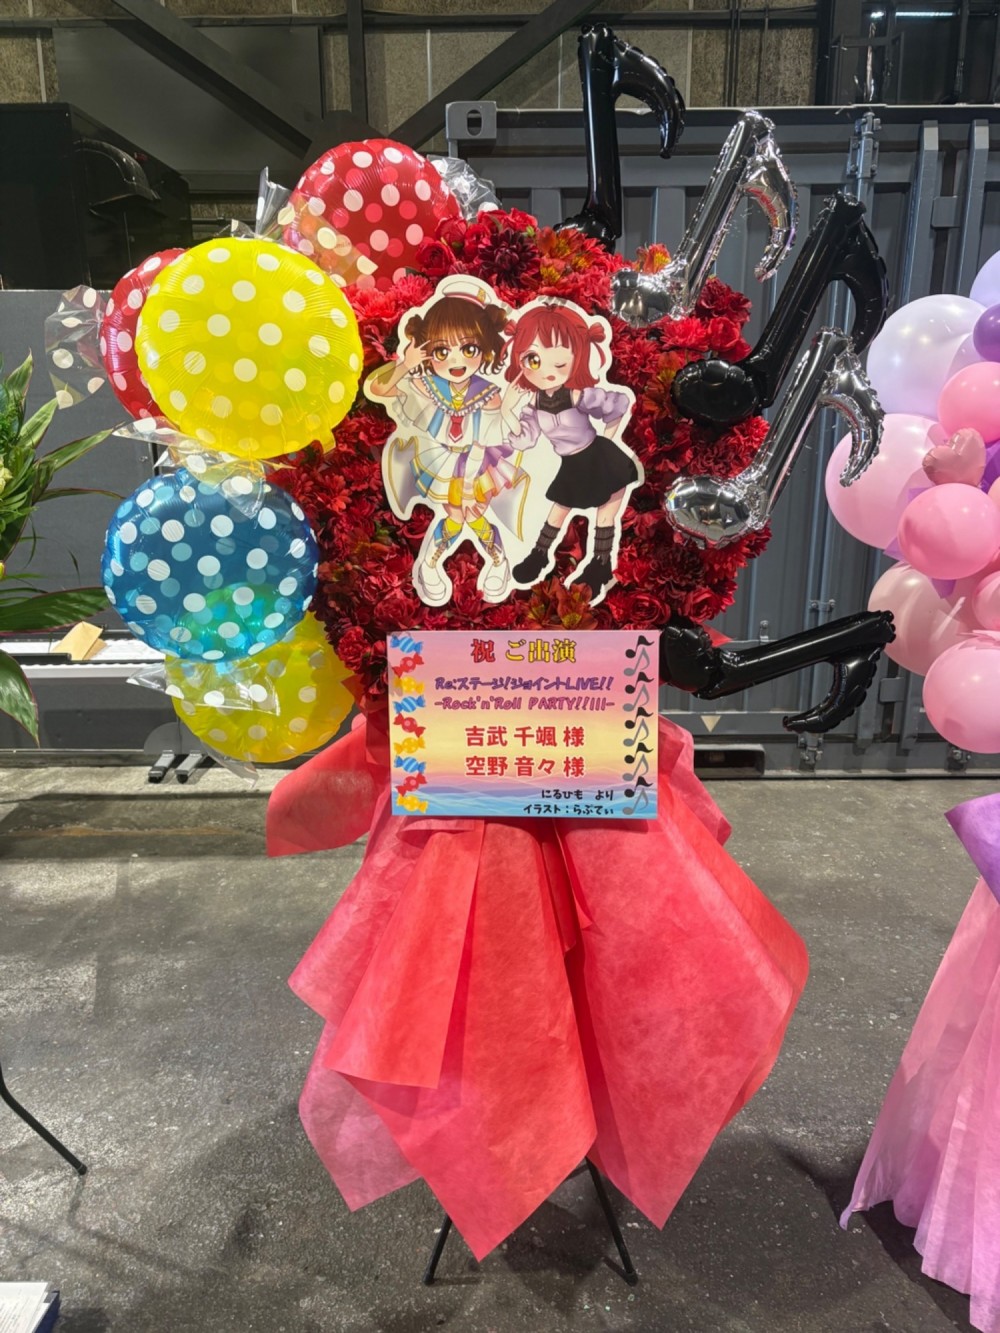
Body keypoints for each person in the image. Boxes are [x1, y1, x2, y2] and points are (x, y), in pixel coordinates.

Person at [369, 276, 522, 606]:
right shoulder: (425, 385)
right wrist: (405, 365)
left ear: (485, 347)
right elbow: (379, 389)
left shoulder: (488, 393)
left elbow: (490, 435)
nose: (456, 361)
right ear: (428, 351)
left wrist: (469, 479)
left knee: (470, 513)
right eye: (442, 350)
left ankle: (487, 561)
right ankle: (436, 563)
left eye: (468, 349)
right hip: (440, 458)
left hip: (478, 461)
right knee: (457, 515)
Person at [502, 302, 640, 603]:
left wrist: (609, 441)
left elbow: (617, 406)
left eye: (559, 361)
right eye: (534, 359)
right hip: (571, 463)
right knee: (559, 509)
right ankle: (539, 555)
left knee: (606, 515)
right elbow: (524, 440)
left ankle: (600, 565)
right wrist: (506, 410)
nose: (547, 371)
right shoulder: (534, 404)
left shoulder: (578, 395)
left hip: (599, 457)